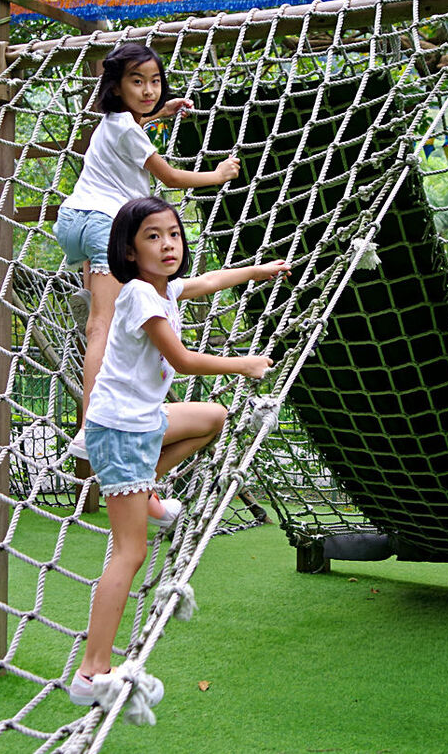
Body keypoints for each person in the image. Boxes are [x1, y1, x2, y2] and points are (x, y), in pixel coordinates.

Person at [68, 195, 288, 706]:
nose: (167, 244)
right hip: (121, 432)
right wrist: (244, 364)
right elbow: (183, 361)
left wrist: (263, 269)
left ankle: (146, 493)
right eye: (152, 236)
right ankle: (89, 673)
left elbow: (210, 281)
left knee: (212, 418)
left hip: (142, 423)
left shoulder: (166, 289)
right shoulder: (140, 296)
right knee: (131, 550)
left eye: (173, 234)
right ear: (128, 250)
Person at [53, 43, 240, 459]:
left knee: (103, 313)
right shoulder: (130, 130)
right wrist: (220, 174)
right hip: (106, 225)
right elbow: (170, 178)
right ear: (117, 87)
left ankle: (93, 288)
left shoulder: (113, 123)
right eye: (137, 82)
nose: (148, 90)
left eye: (154, 81)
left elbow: (133, 134)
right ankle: (90, 423)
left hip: (74, 222)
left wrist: (162, 113)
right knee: (101, 326)